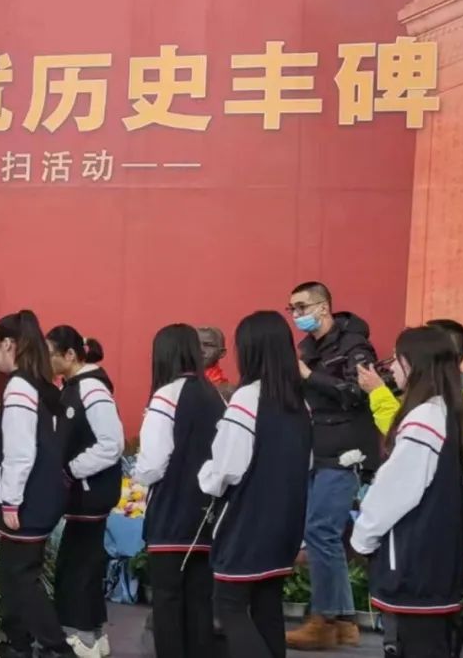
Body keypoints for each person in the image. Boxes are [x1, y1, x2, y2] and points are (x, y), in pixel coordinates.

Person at [199, 312, 312, 658]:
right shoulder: (299, 403)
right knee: (267, 606)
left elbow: (225, 470)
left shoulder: (247, 399)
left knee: (229, 604)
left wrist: (205, 474)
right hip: (286, 521)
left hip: (247, 522)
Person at [350, 326, 463, 658]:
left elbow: (395, 491)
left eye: (396, 360)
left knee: (415, 644)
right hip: (438, 557)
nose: (392, 368)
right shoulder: (447, 410)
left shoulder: (423, 419)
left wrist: (363, 537)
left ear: (412, 364)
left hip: (414, 560)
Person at [285, 281, 378, 650]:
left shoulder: (355, 346)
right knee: (327, 535)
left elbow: (358, 393)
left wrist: (310, 376)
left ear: (323, 307)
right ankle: (344, 620)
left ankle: (324, 618)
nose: (296, 315)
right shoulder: (307, 348)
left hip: (347, 449)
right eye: (292, 309)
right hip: (317, 447)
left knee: (321, 530)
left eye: (302, 307)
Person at [357, 317, 463, 545]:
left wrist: (378, 393)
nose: (393, 365)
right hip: (452, 512)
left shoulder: (452, 402)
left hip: (447, 516)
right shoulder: (450, 397)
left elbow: (406, 440)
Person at [132, 324, 225, 658]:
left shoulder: (166, 395)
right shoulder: (215, 395)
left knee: (168, 601)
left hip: (171, 513)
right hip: (207, 514)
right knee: (199, 602)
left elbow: (152, 464)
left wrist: (138, 474)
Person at [0, 311, 71, 658]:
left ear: (9, 344)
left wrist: (10, 500)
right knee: (13, 573)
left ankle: (57, 648)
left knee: (21, 577)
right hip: (43, 495)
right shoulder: (42, 385)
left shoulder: (20, 387)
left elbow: (20, 451)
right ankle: (18, 642)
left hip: (27, 499)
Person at [47, 326, 124, 658]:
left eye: (50, 354)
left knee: (80, 564)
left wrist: (71, 470)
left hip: (91, 491)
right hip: (81, 491)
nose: (46, 361)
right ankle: (93, 634)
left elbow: (112, 444)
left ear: (70, 355)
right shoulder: (72, 387)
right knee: (79, 561)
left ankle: (85, 637)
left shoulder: (92, 389)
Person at [197, 326, 233, 400]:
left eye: (208, 345)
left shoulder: (229, 391)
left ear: (222, 353)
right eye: (195, 344)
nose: (200, 350)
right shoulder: (177, 386)